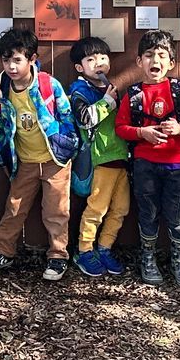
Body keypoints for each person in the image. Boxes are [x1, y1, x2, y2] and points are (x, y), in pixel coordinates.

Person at [0, 25, 78, 281]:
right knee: (14, 208)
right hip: (25, 162)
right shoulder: (2, 92)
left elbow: (66, 115)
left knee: (56, 211)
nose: (11, 66)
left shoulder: (47, 85)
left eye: (17, 60)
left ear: (32, 59)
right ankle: (3, 251)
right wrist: (3, 157)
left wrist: (67, 145)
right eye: (6, 60)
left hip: (55, 160)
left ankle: (57, 257)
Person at [115, 29, 180, 287]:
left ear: (171, 62)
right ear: (139, 61)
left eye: (161, 55)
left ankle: (179, 261)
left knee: (178, 214)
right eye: (148, 55)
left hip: (178, 164)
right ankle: (149, 258)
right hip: (145, 164)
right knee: (148, 213)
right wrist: (141, 133)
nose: (154, 60)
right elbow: (121, 127)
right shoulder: (133, 94)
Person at [68, 35, 131, 278]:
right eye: (91, 59)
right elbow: (84, 121)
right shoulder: (79, 90)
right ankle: (84, 250)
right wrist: (106, 102)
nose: (99, 63)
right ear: (79, 68)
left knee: (120, 209)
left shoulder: (112, 89)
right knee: (96, 209)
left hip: (120, 158)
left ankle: (104, 248)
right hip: (99, 160)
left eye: (103, 57)